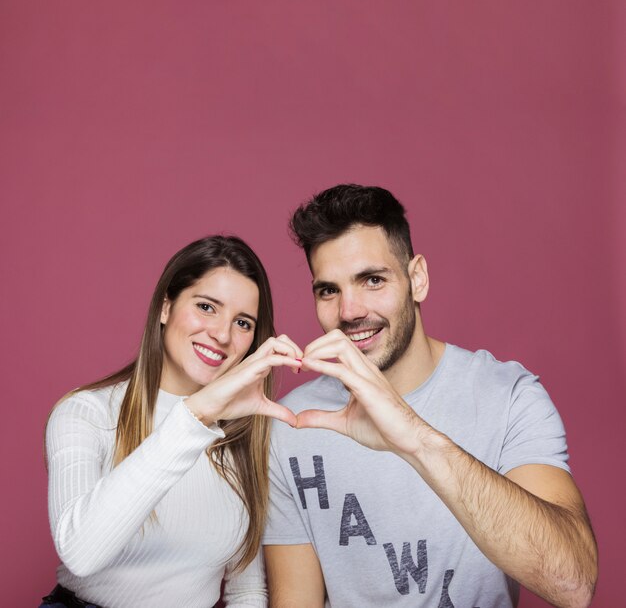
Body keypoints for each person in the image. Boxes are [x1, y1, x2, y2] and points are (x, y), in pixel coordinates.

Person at [263, 185, 598, 608]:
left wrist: (415, 437)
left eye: (372, 280)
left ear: (416, 278)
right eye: (329, 290)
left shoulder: (510, 397)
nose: (349, 311)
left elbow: (573, 584)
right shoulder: (294, 422)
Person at [43, 235, 302, 608]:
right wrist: (195, 415)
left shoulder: (246, 436)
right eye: (207, 307)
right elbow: (81, 553)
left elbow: (247, 590)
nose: (223, 334)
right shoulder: (86, 414)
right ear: (166, 307)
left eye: (243, 322)